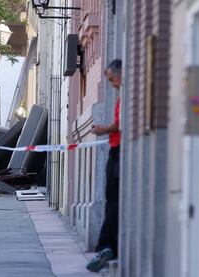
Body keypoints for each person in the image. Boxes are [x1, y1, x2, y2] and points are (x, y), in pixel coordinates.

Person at [86, 59, 122, 273]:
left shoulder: (126, 94)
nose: (112, 84)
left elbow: (120, 124)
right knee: (111, 200)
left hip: (119, 152)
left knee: (113, 200)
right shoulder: (122, 95)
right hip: (116, 150)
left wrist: (103, 129)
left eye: (112, 79)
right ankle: (107, 247)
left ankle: (107, 247)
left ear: (121, 73)